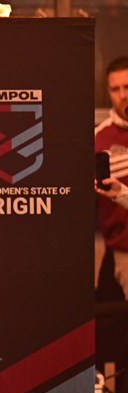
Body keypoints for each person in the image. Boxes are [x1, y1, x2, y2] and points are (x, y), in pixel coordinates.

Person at [95, 56, 128, 299]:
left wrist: (123, 195)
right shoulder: (99, 137)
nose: (123, 95)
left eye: (127, 87)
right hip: (117, 247)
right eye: (115, 89)